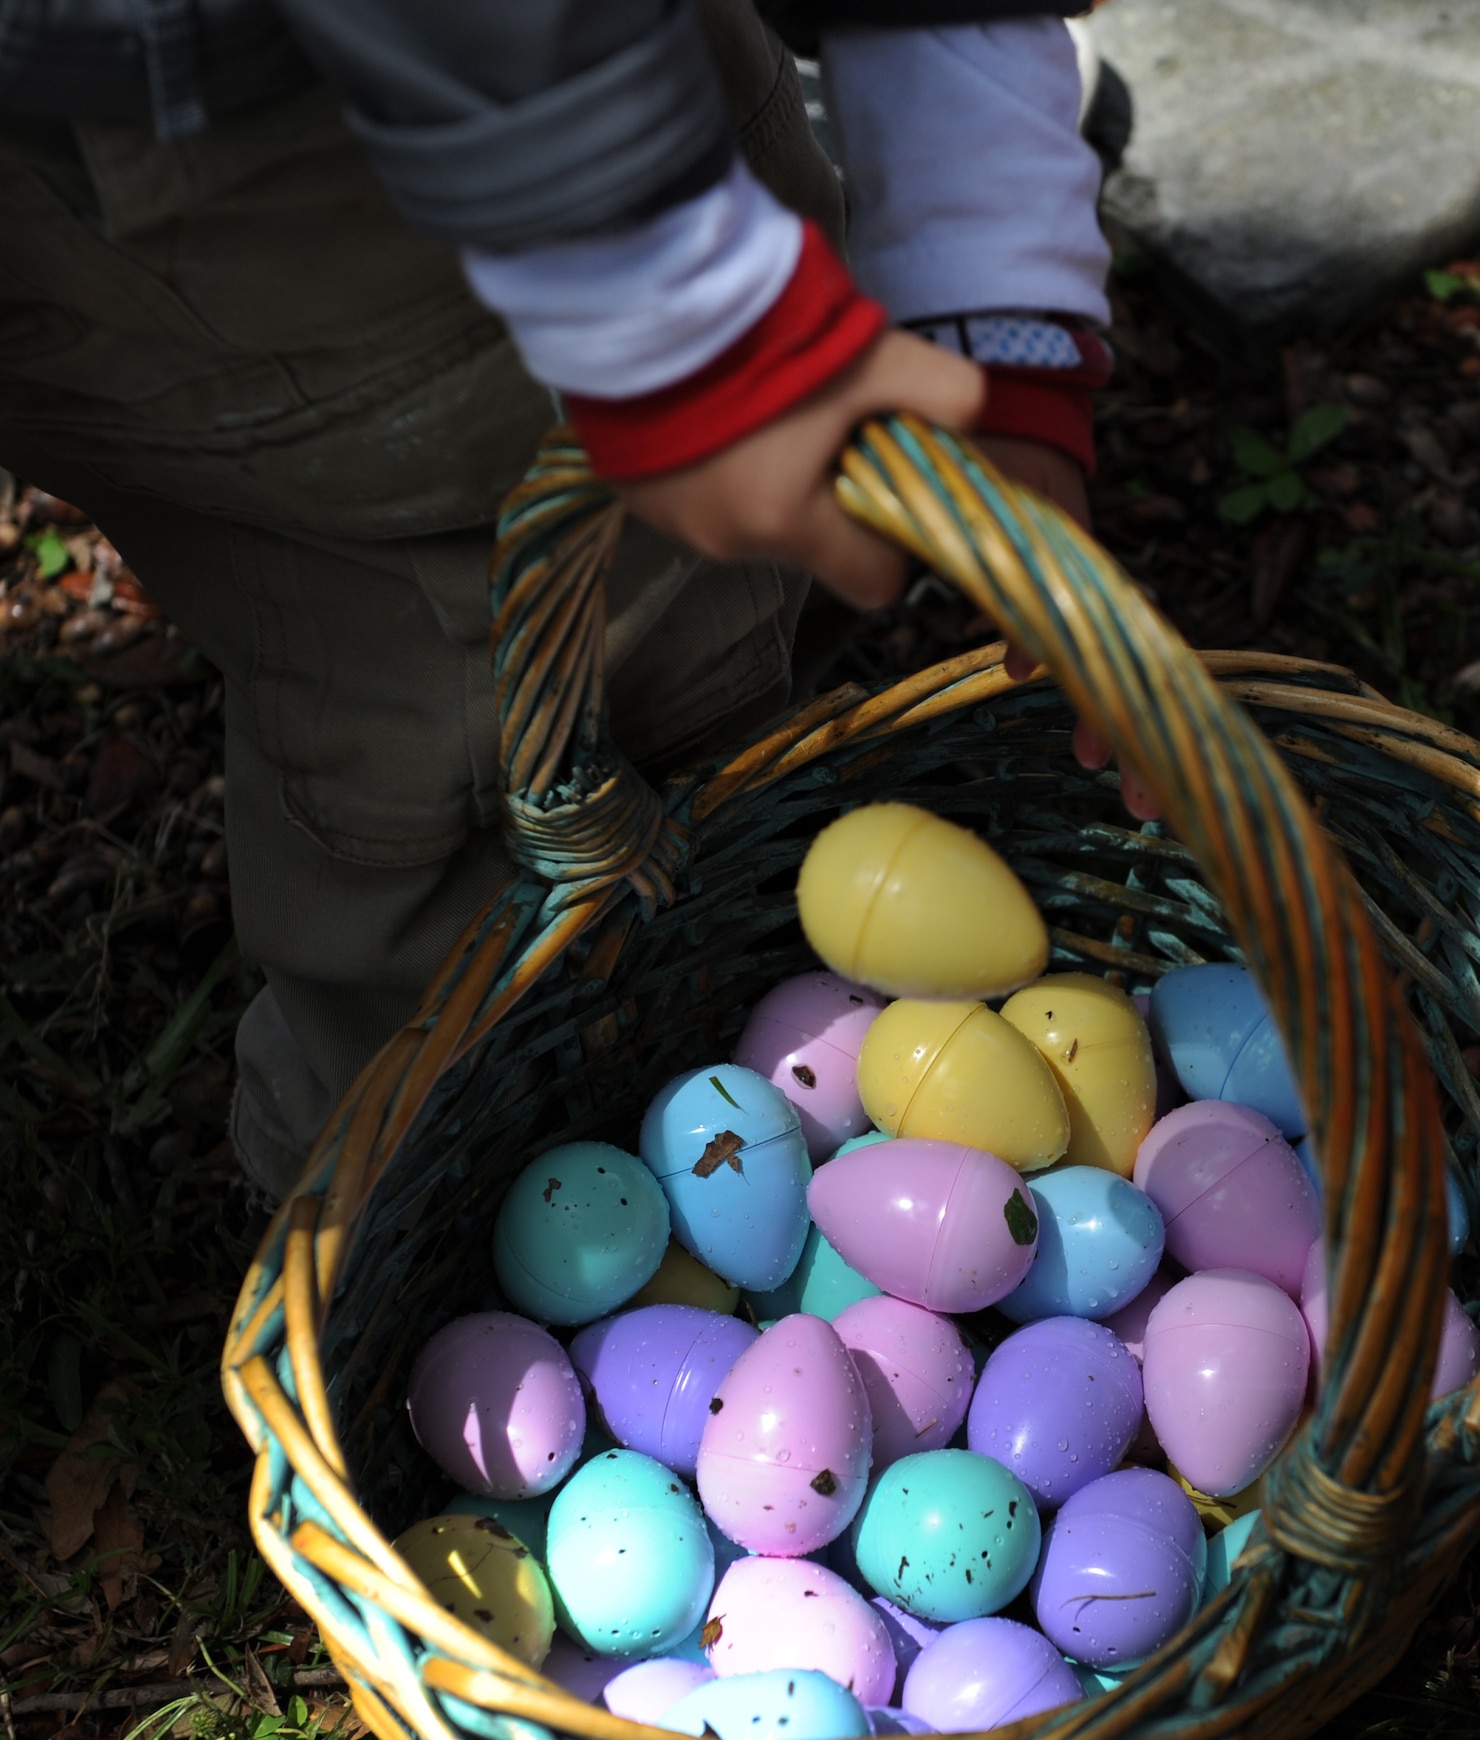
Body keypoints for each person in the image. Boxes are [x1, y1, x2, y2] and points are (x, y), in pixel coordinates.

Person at [0, 0, 1113, 1199]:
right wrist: (667, 292)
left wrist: (996, 308)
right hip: (316, 142)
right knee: (506, 707)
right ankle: (439, 1210)